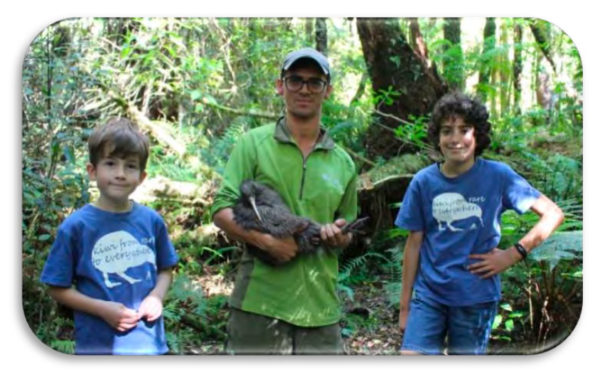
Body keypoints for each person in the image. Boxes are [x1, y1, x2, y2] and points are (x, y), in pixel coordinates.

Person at [211, 47, 357, 354]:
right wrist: (268, 242)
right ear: (281, 85)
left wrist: (338, 236)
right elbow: (221, 209)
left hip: (321, 306)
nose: (304, 88)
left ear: (327, 91)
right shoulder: (253, 144)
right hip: (260, 301)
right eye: (295, 80)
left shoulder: (343, 162)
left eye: (314, 82)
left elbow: (348, 228)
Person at [395, 92, 564, 355]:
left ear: (478, 135)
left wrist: (512, 254)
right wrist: (405, 307)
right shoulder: (423, 182)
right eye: (446, 131)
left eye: (464, 130)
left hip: (475, 297)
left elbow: (553, 214)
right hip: (429, 296)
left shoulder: (498, 176)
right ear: (437, 137)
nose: (455, 139)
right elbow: (413, 244)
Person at [40, 118, 178, 355]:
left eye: (131, 166)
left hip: (149, 344)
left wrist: (156, 296)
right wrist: (103, 309)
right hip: (99, 346)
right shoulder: (76, 227)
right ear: (92, 171)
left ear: (142, 177)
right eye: (111, 164)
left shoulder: (151, 221)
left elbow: (165, 269)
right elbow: (56, 287)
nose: (121, 174)